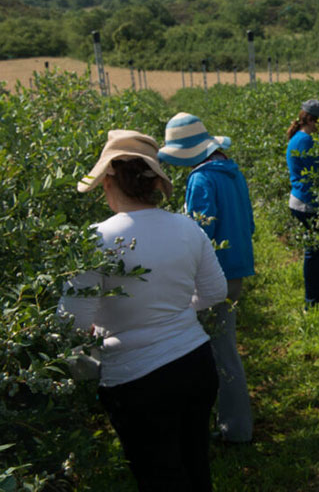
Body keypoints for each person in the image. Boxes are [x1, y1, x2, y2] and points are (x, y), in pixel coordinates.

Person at [59, 129, 226, 491]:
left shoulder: (95, 239)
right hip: (195, 363)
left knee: (159, 477)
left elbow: (72, 323)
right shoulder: (187, 227)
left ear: (108, 180)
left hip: (136, 378)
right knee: (195, 466)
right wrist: (175, 312)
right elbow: (215, 292)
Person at [158, 113, 255, 444]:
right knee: (224, 344)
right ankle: (231, 423)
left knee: (221, 350)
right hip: (236, 268)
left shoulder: (202, 180)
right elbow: (249, 223)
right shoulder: (232, 173)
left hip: (215, 274)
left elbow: (200, 235)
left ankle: (235, 429)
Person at [286, 99, 319, 307]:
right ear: (313, 120)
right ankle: (313, 300)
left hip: (305, 201)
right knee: (315, 252)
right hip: (307, 204)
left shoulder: (301, 138)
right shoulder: (304, 141)